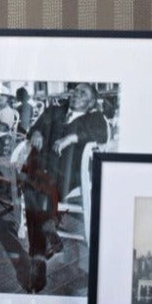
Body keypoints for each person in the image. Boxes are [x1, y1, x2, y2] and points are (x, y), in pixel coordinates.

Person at [20, 82, 108, 292]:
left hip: (68, 173)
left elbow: (102, 133)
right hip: (42, 169)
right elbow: (34, 127)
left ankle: (39, 257)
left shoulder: (94, 117)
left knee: (35, 191)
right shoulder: (55, 110)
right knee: (35, 189)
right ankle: (47, 234)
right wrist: (37, 133)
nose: (77, 94)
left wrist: (72, 137)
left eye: (83, 92)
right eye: (76, 90)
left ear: (92, 101)